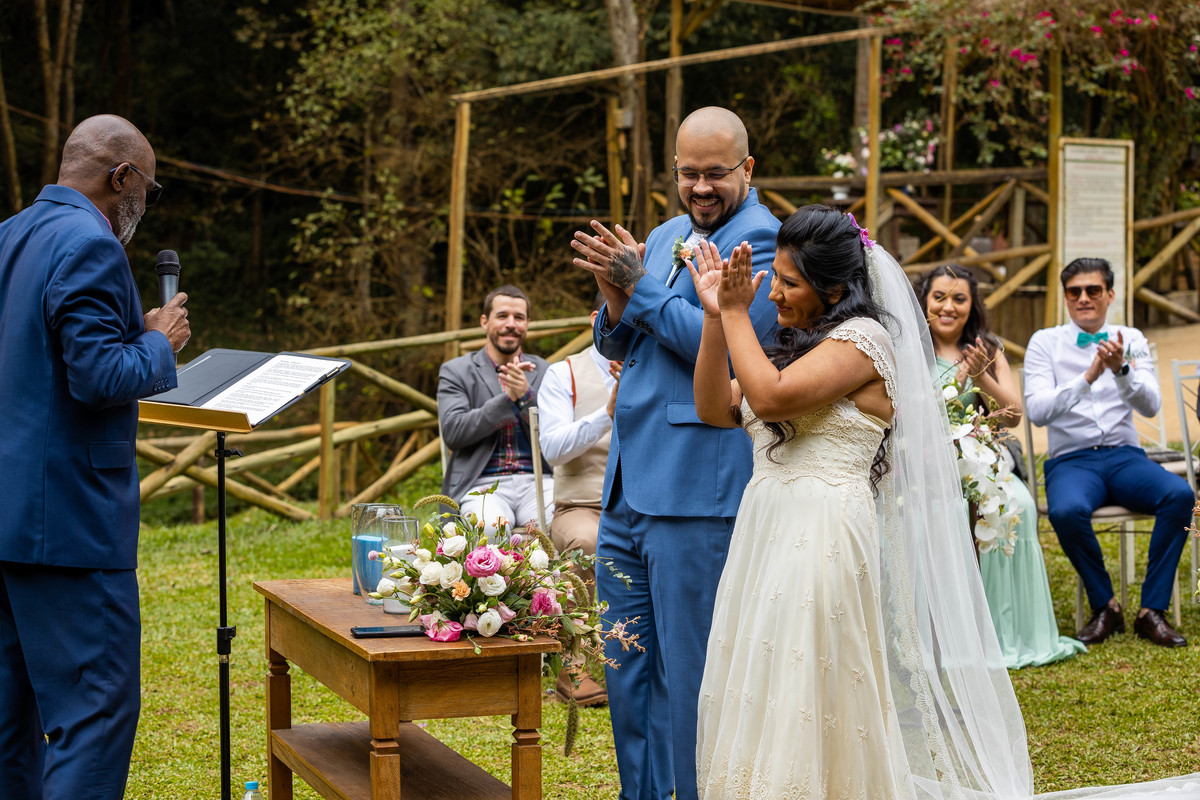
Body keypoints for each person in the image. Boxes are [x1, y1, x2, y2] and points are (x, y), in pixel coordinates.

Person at [688, 205, 1200, 800]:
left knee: (809, 677)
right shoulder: (790, 345)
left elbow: (770, 399)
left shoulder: (864, 340)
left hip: (822, 531)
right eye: (773, 277)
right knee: (767, 675)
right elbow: (713, 408)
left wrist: (732, 314)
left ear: (833, 287)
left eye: (788, 281)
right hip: (767, 526)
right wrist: (710, 319)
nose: (771, 291)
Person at [569, 106, 780, 800]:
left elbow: (724, 346)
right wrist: (613, 298)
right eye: (687, 173)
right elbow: (618, 346)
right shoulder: (661, 237)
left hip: (699, 490)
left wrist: (641, 288)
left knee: (690, 678)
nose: (699, 187)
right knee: (625, 672)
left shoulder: (769, 246)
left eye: (715, 174)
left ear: (746, 169)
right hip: (625, 487)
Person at [0, 114, 191, 800]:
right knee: (94, 716)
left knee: (9, 727)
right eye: (150, 187)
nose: (145, 202)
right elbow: (96, 377)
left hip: (8, 522)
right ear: (123, 178)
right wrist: (159, 341)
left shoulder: (9, 235)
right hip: (72, 532)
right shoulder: (93, 244)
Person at [917, 264, 1085, 669]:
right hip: (925, 465)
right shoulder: (908, 349)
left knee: (1019, 507)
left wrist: (980, 377)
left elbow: (1012, 416)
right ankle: (950, 635)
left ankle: (1009, 631)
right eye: (939, 296)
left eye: (959, 299)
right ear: (924, 300)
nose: (948, 307)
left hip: (981, 463)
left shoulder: (987, 348)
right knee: (948, 511)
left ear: (972, 305)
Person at [1024, 257, 1194, 648]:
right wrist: (1088, 377)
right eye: (1074, 291)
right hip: (1072, 459)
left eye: (1093, 290)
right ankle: (1107, 606)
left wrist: (1121, 370)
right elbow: (1037, 412)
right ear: (1065, 297)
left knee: (1180, 495)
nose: (1083, 298)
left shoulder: (1130, 338)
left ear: (1110, 294)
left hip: (1124, 456)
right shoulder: (1044, 343)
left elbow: (1151, 406)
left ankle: (1152, 610)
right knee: (1066, 512)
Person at [538, 292, 618, 707]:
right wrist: (608, 411)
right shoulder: (563, 374)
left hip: (642, 506)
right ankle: (574, 668)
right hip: (581, 506)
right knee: (587, 543)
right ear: (597, 319)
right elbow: (552, 448)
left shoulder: (656, 366)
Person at [437, 284, 553, 535]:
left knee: (558, 522)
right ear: (484, 322)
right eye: (502, 316)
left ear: (527, 324)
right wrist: (508, 399)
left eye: (519, 317)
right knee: (491, 528)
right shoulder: (456, 371)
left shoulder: (546, 371)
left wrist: (526, 397)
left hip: (540, 481)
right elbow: (454, 433)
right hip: (481, 484)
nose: (511, 324)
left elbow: (556, 434)